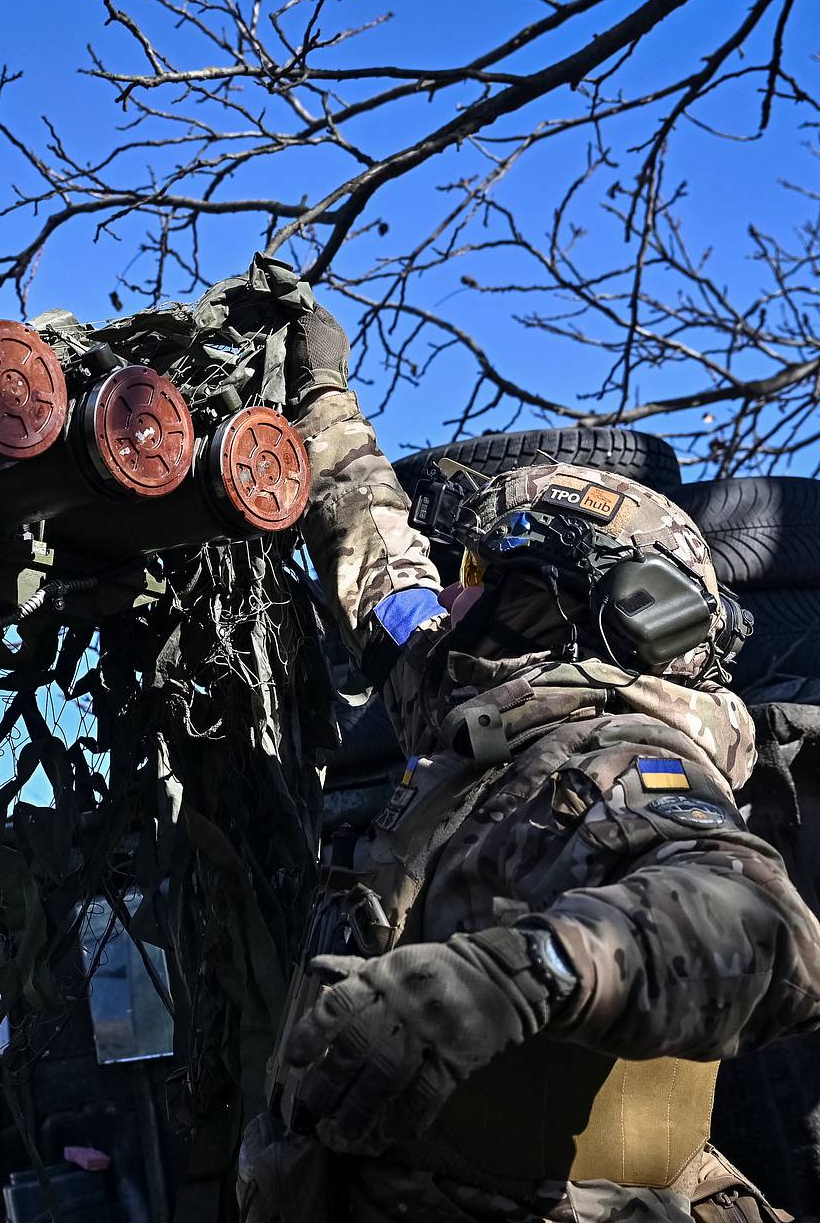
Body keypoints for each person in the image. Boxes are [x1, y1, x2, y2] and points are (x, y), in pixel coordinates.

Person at [238, 273, 820, 1223]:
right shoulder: (473, 711)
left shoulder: (616, 754)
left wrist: (509, 979)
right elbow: (375, 552)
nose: (446, 596)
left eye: (473, 571)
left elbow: (759, 926)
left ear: (538, 604)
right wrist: (319, 395)